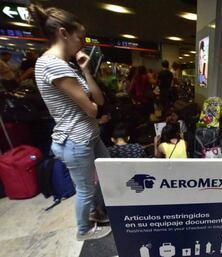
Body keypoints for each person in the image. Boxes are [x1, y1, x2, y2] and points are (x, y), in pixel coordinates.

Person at [29, 3, 112, 241]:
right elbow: (93, 109)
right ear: (63, 33)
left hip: (88, 135)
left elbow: (99, 100)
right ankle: (83, 230)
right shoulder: (53, 64)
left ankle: (98, 212)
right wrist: (93, 108)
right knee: (85, 189)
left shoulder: (67, 65)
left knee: (106, 173)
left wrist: (86, 70)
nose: (82, 43)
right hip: (75, 140)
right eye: (80, 37)